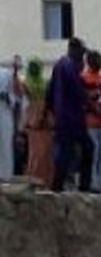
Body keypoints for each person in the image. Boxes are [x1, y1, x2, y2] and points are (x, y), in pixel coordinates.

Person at [46, 38, 94, 192]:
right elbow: (77, 91)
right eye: (81, 52)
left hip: (63, 117)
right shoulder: (69, 65)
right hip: (72, 118)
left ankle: (58, 187)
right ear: (73, 49)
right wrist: (90, 103)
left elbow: (50, 92)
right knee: (83, 149)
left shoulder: (60, 65)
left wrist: (51, 111)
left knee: (67, 151)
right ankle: (80, 187)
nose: (83, 57)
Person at [81, 50, 101, 192]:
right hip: (90, 124)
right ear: (90, 61)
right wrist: (98, 95)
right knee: (93, 156)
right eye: (98, 59)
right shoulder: (83, 78)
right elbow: (83, 100)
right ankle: (93, 186)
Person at [21, 58, 53, 187]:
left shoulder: (44, 83)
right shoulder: (24, 84)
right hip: (33, 121)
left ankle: (46, 182)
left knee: (46, 154)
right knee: (35, 155)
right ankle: (34, 181)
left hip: (45, 120)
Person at [0, 62, 19, 180]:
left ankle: (5, 177)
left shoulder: (5, 73)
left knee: (5, 145)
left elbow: (13, 98)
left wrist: (6, 97)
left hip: (4, 114)